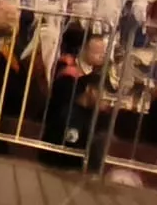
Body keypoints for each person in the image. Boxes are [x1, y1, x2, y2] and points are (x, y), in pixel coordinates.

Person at [42, 28, 109, 166]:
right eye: (96, 52)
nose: (101, 56)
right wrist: (87, 100)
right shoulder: (67, 70)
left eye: (103, 53)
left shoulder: (98, 74)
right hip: (62, 128)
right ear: (83, 49)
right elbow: (64, 100)